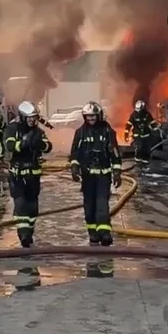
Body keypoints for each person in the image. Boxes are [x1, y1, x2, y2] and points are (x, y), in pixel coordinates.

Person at [69, 101, 122, 246]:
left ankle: (104, 232)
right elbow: (74, 153)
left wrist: (117, 172)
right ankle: (93, 232)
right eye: (88, 116)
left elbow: (115, 154)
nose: (91, 119)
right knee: (89, 207)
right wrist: (74, 168)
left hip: (103, 177)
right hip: (87, 178)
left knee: (102, 205)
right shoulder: (80, 133)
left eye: (93, 116)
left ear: (99, 116)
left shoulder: (107, 131)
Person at [4, 101, 53, 247]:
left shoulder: (38, 132)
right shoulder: (13, 128)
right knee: (21, 205)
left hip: (33, 175)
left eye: (34, 117)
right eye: (29, 117)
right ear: (23, 117)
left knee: (33, 207)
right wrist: (23, 144)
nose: (32, 120)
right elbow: (9, 144)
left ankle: (29, 230)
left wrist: (40, 144)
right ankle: (23, 234)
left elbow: (48, 147)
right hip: (17, 176)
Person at [125, 100, 161, 166]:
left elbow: (152, 123)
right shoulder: (133, 115)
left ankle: (145, 164)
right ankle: (138, 163)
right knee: (139, 148)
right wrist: (126, 135)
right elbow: (128, 125)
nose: (138, 111)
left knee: (146, 149)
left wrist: (156, 131)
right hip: (137, 136)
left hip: (146, 135)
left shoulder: (147, 114)